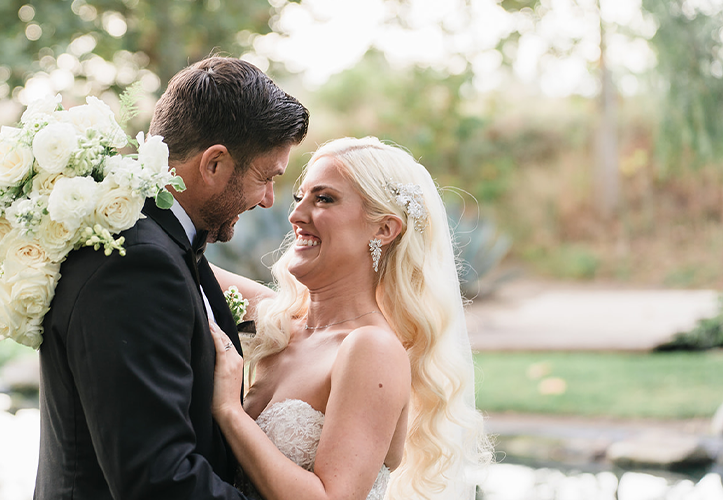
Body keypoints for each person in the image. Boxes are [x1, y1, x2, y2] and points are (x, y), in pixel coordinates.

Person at [33, 56, 309, 500]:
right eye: (266, 177)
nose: (266, 200)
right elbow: (157, 479)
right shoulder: (138, 263)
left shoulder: (157, 243)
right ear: (214, 164)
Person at [209, 137, 492, 500]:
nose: (296, 215)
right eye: (301, 197)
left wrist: (230, 411)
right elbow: (175, 256)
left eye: (324, 198)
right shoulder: (279, 321)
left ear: (384, 229)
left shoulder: (370, 349)